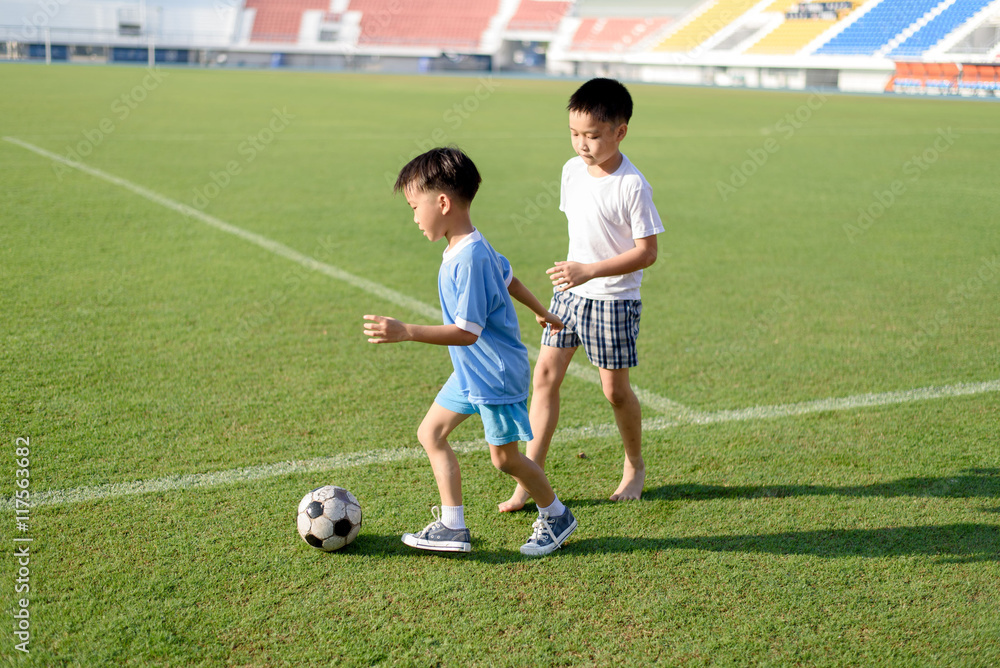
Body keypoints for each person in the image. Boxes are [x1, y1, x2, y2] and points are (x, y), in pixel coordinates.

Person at [363, 146, 577, 556]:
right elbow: (509, 277)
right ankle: (452, 525)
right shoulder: (470, 247)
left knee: (505, 460)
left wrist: (405, 330)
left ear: (442, 203)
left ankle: (556, 514)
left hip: (492, 372)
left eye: (414, 207)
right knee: (431, 432)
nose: (413, 217)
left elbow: (466, 333)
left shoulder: (471, 258)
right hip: (471, 372)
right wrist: (543, 311)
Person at [499, 78, 664, 513]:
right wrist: (552, 298)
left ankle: (634, 466)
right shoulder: (571, 171)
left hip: (613, 299)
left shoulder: (632, 185)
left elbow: (647, 253)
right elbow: (581, 240)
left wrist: (590, 271)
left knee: (615, 392)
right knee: (545, 379)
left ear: (619, 132)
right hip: (569, 295)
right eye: (574, 134)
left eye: (592, 135)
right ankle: (529, 478)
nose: (582, 144)